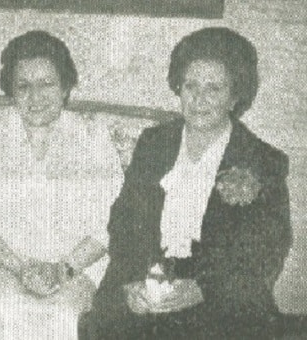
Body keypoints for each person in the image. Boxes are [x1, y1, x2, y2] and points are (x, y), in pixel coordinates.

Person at [80, 27, 293, 339]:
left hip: (221, 289)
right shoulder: (154, 143)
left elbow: (269, 249)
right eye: (190, 85)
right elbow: (124, 220)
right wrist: (130, 283)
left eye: (214, 89)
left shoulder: (262, 160)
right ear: (178, 87)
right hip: (147, 276)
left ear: (235, 96)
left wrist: (202, 289)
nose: (199, 99)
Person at [0, 30, 125, 340]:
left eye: (47, 84)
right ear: (11, 91)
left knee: (61, 315)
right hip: (7, 268)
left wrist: (62, 269)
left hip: (74, 270)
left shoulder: (93, 140)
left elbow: (110, 224)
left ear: (65, 87)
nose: (35, 97)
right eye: (23, 86)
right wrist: (21, 268)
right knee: (5, 309)